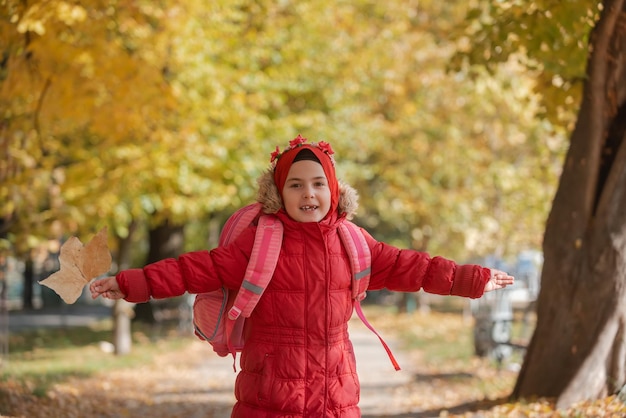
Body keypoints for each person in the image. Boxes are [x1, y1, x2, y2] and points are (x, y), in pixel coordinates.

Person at [90, 134, 514, 418]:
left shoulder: (353, 242)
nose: (307, 194)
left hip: (336, 391)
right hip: (269, 391)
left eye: (317, 184)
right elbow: (197, 269)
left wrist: (471, 279)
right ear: (279, 192)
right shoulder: (260, 242)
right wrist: (128, 283)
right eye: (294, 185)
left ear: (333, 191)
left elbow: (413, 267)